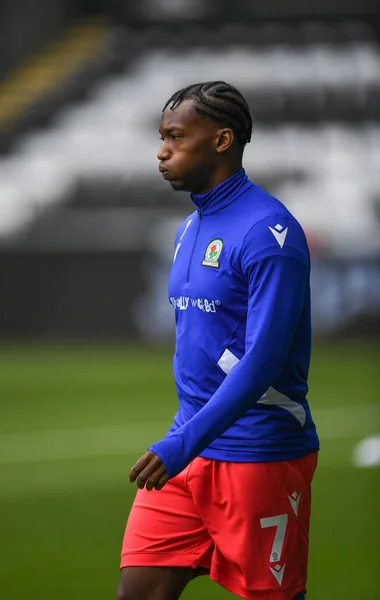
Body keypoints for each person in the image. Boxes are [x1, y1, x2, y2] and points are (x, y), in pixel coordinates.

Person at [116, 81, 319, 600]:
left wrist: (183, 444)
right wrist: (186, 441)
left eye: (176, 137)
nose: (162, 151)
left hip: (260, 454)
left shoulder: (269, 232)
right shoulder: (188, 229)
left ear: (223, 140)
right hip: (187, 455)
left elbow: (265, 359)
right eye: (162, 138)